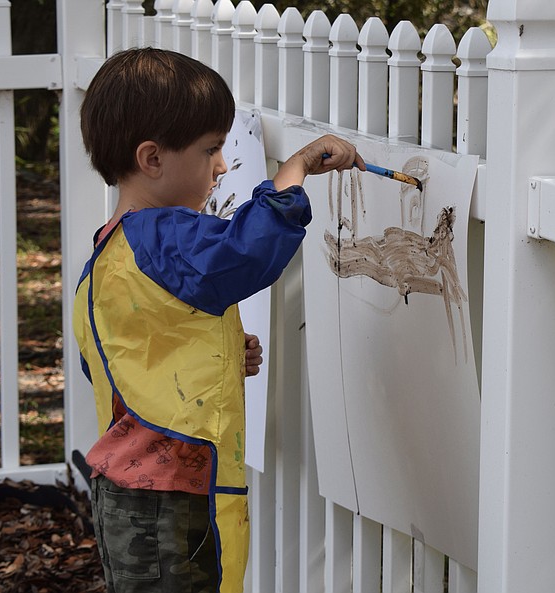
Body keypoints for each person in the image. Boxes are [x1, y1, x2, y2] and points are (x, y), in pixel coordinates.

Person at [72, 47, 363, 593]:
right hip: (170, 497)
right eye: (211, 150)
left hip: (127, 491)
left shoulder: (112, 250)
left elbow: (125, 358)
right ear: (152, 159)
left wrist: (220, 350)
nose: (223, 166)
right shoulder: (166, 236)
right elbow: (245, 252)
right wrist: (293, 171)